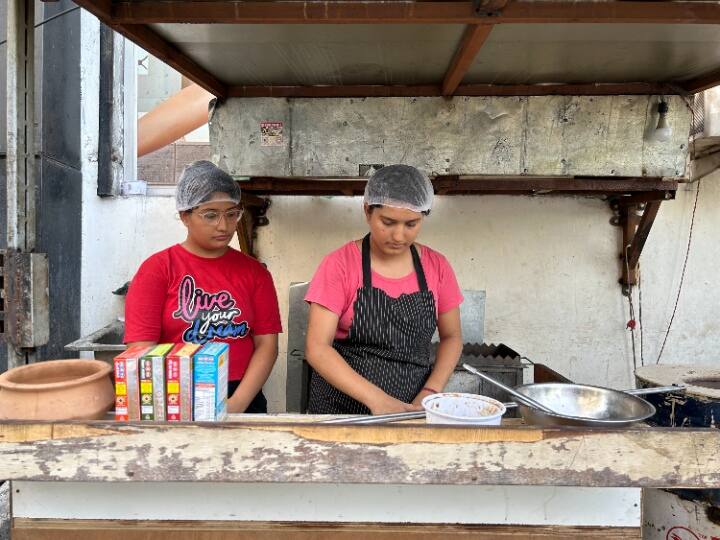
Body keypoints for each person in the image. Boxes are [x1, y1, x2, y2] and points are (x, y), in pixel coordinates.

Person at [304, 164, 464, 415]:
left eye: (411, 224)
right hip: (341, 411)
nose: (399, 236)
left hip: (410, 409)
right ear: (368, 211)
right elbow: (317, 348)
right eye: (388, 222)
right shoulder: (339, 265)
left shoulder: (437, 266)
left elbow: (452, 337)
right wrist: (376, 399)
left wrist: (429, 393)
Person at [124, 160, 282, 413]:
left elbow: (267, 345)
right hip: (175, 393)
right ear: (185, 215)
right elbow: (141, 349)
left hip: (241, 394)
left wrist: (236, 404)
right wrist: (176, 401)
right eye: (210, 215)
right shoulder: (157, 269)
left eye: (232, 214)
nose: (223, 225)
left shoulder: (254, 273)